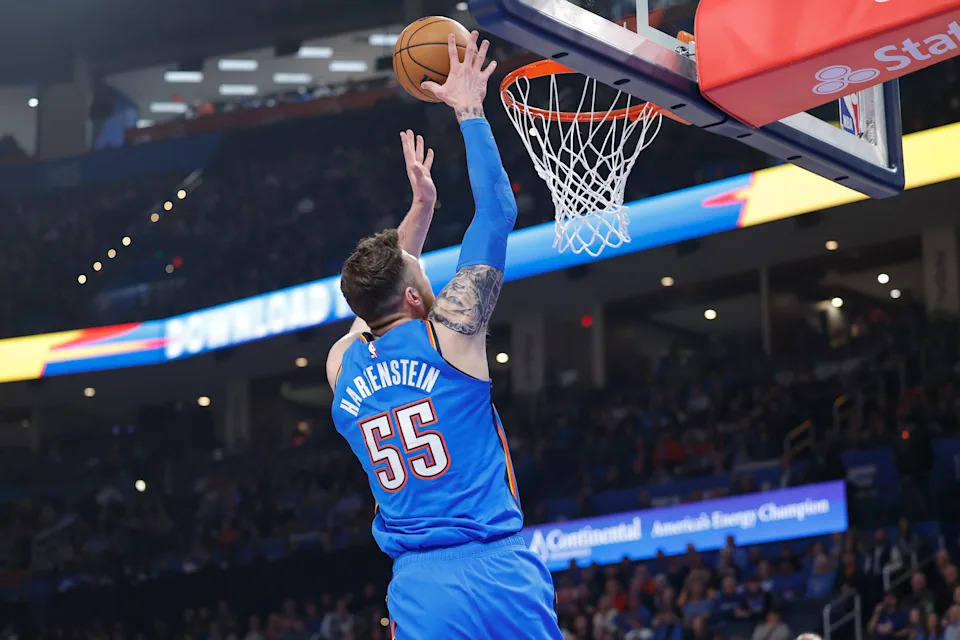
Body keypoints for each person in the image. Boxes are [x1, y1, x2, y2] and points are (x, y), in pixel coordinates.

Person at [326, 31, 562, 639]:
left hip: (421, 588)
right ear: (413, 295)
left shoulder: (342, 364)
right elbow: (497, 213)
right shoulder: (451, 334)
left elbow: (375, 294)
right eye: (421, 273)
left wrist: (421, 211)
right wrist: (469, 111)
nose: (427, 275)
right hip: (496, 568)